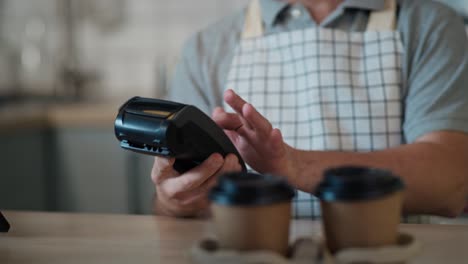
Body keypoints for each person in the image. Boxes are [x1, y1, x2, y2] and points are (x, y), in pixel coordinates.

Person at [151, 0, 468, 218]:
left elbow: (450, 182)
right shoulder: (206, 49)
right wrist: (173, 204)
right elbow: (171, 210)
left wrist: (292, 165)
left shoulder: (430, 26)